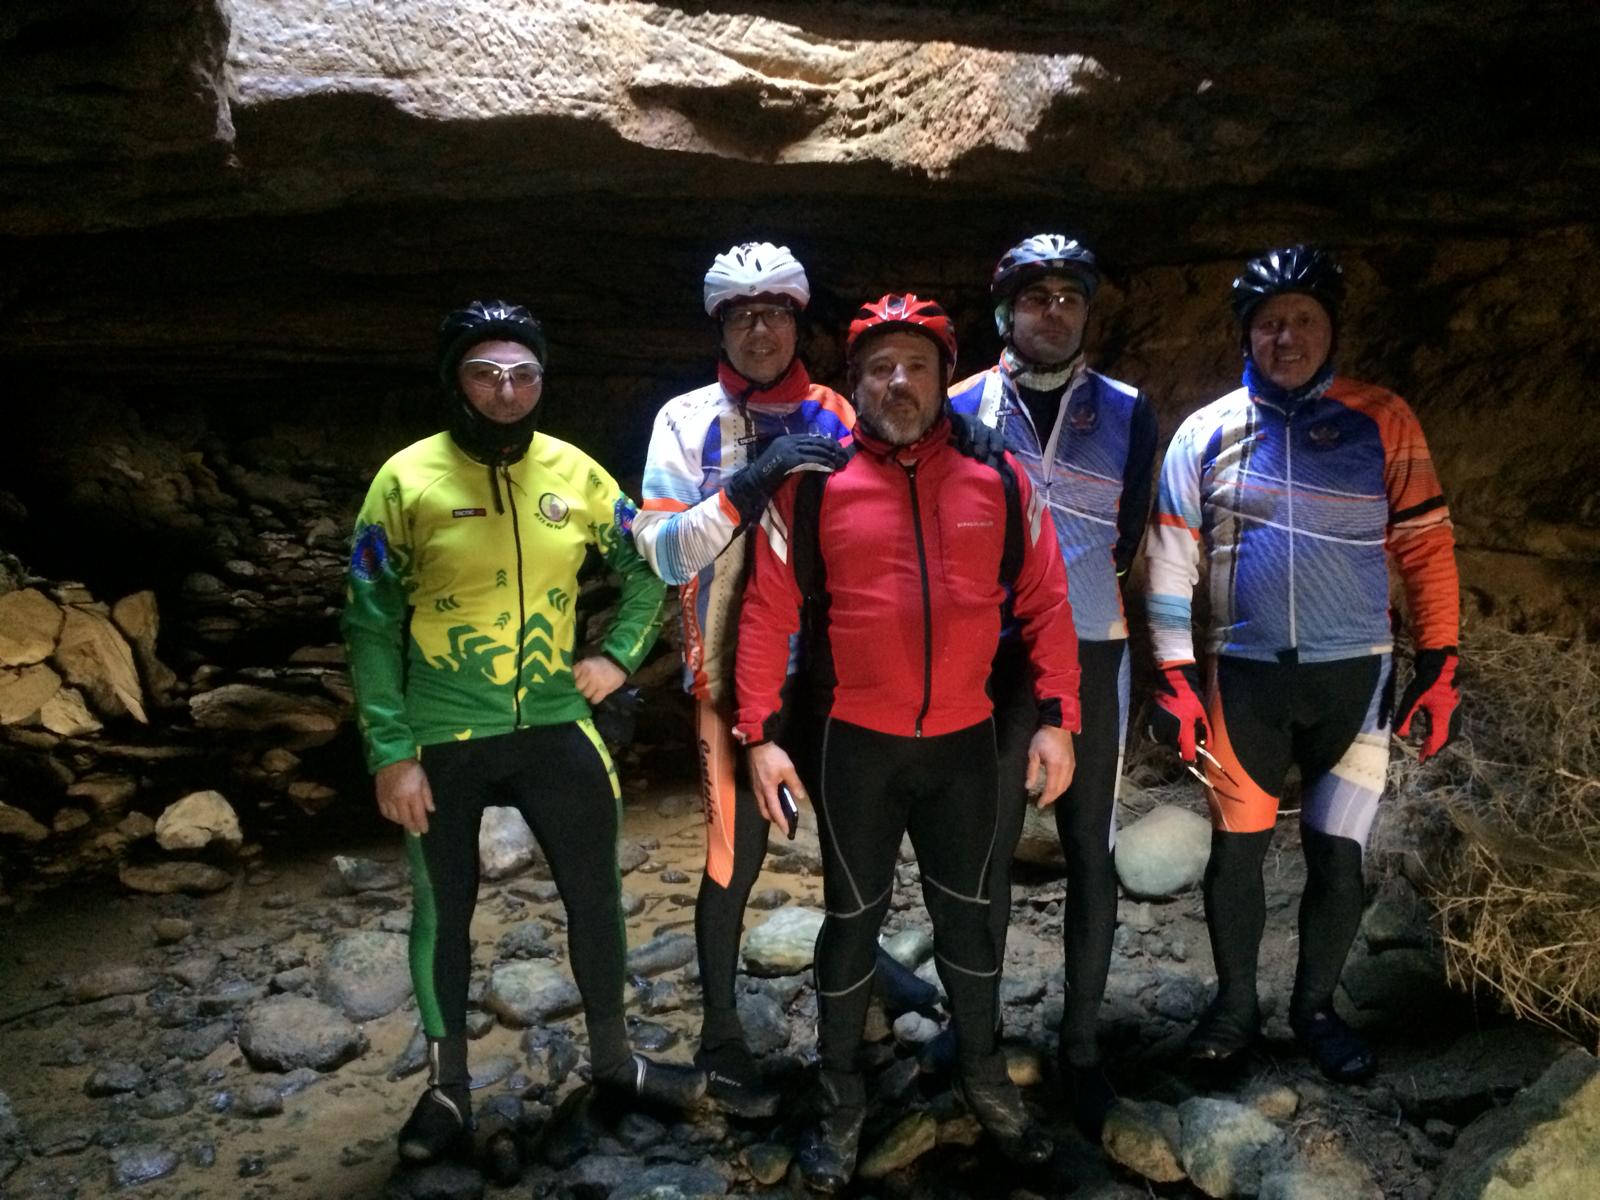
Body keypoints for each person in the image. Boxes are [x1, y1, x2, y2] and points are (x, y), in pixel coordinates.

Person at [342, 301, 703, 1165]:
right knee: (444, 908)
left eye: (524, 375)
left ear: (542, 381)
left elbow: (648, 564)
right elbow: (368, 620)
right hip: (441, 735)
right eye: (486, 374)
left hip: (553, 723)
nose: (506, 391)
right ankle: (446, 1091)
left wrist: (617, 656)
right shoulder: (405, 480)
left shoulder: (574, 473)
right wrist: (390, 752)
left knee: (595, 893)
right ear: (455, 381)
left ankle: (615, 1064)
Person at [735, 293, 1081, 1191]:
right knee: (853, 920)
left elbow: (1047, 600)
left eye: (917, 366)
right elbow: (768, 612)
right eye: (881, 367)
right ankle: (841, 1099)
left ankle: (982, 1075)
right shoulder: (815, 484)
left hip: (965, 744)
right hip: (858, 746)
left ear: (945, 378)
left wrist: (1058, 720)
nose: (899, 382)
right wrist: (760, 736)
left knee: (969, 915)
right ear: (856, 382)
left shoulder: (997, 477)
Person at [1143, 246, 1462, 1084]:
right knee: (1235, 855)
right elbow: (1170, 560)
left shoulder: (1383, 419)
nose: (1287, 337)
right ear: (1246, 335)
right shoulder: (1204, 431)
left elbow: (1426, 548)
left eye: (1305, 320)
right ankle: (1234, 1008)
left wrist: (1441, 663)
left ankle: (1316, 1010)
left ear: (1332, 330)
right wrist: (1174, 675)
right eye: (1270, 323)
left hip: (1354, 677)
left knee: (1337, 856)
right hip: (1244, 678)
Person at [630, 242, 855, 1116]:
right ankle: (722, 1036)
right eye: (742, 317)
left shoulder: (836, 409)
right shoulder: (685, 419)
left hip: (832, 669)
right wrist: (750, 483)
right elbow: (661, 551)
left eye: (775, 314)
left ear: (798, 322)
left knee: (853, 849)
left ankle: (859, 1015)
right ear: (721, 328)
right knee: (735, 855)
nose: (760, 331)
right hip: (726, 669)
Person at [950, 234, 1157, 1129]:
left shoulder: (1128, 410)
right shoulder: (959, 405)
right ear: (1005, 311)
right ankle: (979, 1039)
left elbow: (1132, 527)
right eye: (1037, 298)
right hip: (990, 660)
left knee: (1090, 852)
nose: (1055, 312)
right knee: (985, 852)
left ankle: (1081, 1048)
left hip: (1093, 647)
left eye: (1071, 298)